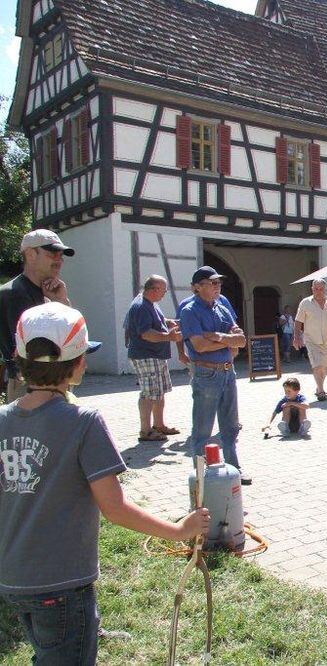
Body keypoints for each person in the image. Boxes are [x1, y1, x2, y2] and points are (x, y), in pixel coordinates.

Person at [0, 302, 209, 665]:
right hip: (63, 585)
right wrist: (179, 530)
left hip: (14, 579)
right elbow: (115, 508)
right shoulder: (84, 422)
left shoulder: (3, 419)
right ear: (79, 364)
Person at [178, 266, 249, 483]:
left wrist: (217, 336)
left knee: (230, 426)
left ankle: (234, 470)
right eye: (212, 282)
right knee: (202, 430)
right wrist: (227, 341)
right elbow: (198, 345)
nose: (217, 286)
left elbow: (241, 340)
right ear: (198, 287)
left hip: (228, 372)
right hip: (206, 373)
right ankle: (202, 476)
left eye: (218, 282)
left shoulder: (221, 308)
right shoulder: (190, 311)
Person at [0, 229, 73, 401]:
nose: (59, 260)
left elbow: (71, 336)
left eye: (61, 255)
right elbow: (37, 350)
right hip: (31, 385)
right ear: (31, 254)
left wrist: (61, 302)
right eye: (53, 253)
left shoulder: (44, 292)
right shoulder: (15, 294)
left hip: (47, 381)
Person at [125, 275, 183, 442]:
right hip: (146, 355)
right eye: (164, 290)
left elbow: (155, 321)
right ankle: (145, 431)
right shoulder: (141, 306)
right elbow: (146, 333)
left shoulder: (150, 304)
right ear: (154, 289)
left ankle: (159, 425)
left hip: (155, 356)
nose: (165, 293)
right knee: (148, 393)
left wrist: (168, 322)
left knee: (159, 392)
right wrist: (169, 336)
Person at [293, 278, 327, 401]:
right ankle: (321, 391)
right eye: (316, 289)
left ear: (325, 289)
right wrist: (296, 337)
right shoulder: (305, 303)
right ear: (312, 289)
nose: (318, 291)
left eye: (321, 289)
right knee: (317, 365)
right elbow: (298, 321)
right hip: (311, 339)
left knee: (324, 366)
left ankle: (319, 387)